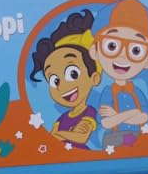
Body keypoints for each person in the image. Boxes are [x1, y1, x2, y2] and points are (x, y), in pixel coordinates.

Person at [89, 0, 148, 148]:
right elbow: (106, 123)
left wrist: (117, 116)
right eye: (112, 46)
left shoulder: (136, 91)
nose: (122, 56)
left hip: (138, 138)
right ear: (95, 50)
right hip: (112, 139)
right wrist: (132, 113)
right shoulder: (108, 92)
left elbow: (144, 117)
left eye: (136, 50)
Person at [29, 10, 102, 149]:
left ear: (94, 78)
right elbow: (52, 137)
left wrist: (60, 134)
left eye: (73, 74)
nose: (62, 86)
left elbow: (81, 137)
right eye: (54, 80)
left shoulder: (89, 112)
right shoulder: (62, 118)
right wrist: (66, 134)